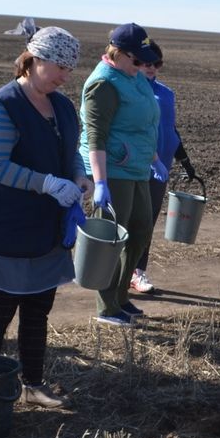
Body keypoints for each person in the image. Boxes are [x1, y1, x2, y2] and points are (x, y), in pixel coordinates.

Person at [0, 26, 92, 408]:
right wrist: (47, 184)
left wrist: (78, 175)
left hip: (48, 230)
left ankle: (33, 384)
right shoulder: (2, 107)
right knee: (0, 310)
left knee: (39, 308)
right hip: (11, 227)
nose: (64, 76)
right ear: (34, 59)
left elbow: (70, 148)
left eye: (69, 70)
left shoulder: (62, 105)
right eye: (58, 66)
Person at [79, 22, 160, 325]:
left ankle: (120, 297)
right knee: (113, 237)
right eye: (137, 60)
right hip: (113, 169)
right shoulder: (103, 83)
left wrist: (153, 157)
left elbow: (144, 121)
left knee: (140, 232)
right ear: (119, 54)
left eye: (145, 61)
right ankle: (106, 306)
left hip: (137, 167)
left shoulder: (133, 76)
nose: (142, 66)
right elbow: (96, 136)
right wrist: (100, 182)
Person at [130, 40, 197, 294]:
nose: (151, 68)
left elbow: (169, 130)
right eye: (147, 62)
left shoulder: (166, 94)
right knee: (128, 219)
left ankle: (138, 272)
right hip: (134, 166)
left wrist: (184, 159)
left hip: (161, 168)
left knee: (147, 222)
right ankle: (116, 271)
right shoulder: (131, 91)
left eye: (156, 63)